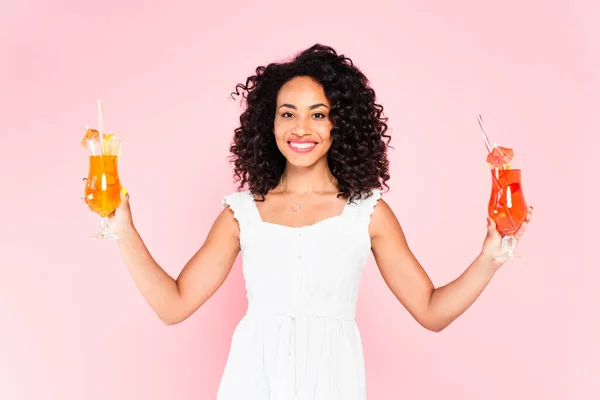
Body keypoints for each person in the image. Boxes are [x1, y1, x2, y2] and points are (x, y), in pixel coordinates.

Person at [97, 44, 533, 399]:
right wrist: (123, 228)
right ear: (268, 124)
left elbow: (432, 312)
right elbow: (173, 305)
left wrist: (490, 257)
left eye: (318, 114)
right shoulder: (242, 212)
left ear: (339, 124)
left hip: (334, 385)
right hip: (252, 384)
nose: (301, 128)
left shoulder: (368, 213)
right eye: (288, 113)